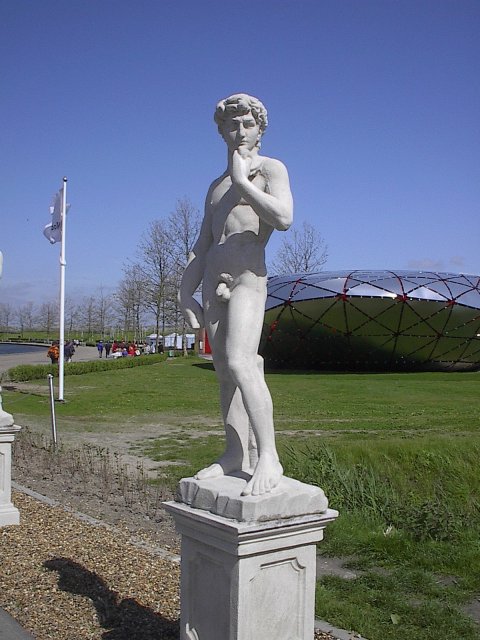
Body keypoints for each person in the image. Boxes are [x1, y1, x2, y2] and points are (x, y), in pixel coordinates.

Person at [179, 94, 293, 496]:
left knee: (243, 363)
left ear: (260, 130)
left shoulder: (270, 169)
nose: (240, 131)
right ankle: (234, 453)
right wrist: (184, 294)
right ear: (222, 131)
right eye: (232, 125)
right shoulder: (215, 187)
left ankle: (269, 457)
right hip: (214, 281)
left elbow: (284, 218)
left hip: (248, 277)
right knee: (224, 370)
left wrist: (244, 182)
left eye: (248, 124)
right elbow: (202, 244)